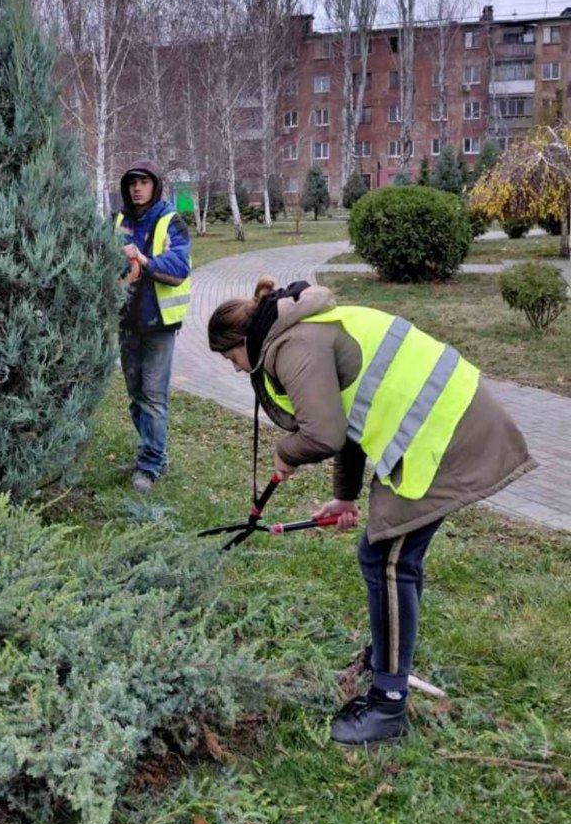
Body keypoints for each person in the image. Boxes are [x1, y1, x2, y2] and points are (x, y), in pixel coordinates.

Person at [207, 277, 534, 746]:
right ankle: (388, 658)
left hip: (443, 434)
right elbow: (351, 422)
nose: (237, 370)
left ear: (242, 343)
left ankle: (388, 704)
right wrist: (345, 497)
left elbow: (323, 434)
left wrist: (286, 453)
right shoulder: (304, 330)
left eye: (231, 359)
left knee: (386, 560)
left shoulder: (292, 347)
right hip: (436, 425)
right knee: (391, 558)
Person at [115, 162, 192, 493]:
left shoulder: (171, 221)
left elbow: (179, 267)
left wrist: (144, 261)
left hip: (159, 324)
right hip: (127, 321)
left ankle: (149, 465)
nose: (137, 188)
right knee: (135, 397)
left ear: (155, 186)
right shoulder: (119, 221)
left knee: (153, 398)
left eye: (143, 182)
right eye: (132, 183)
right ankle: (154, 455)